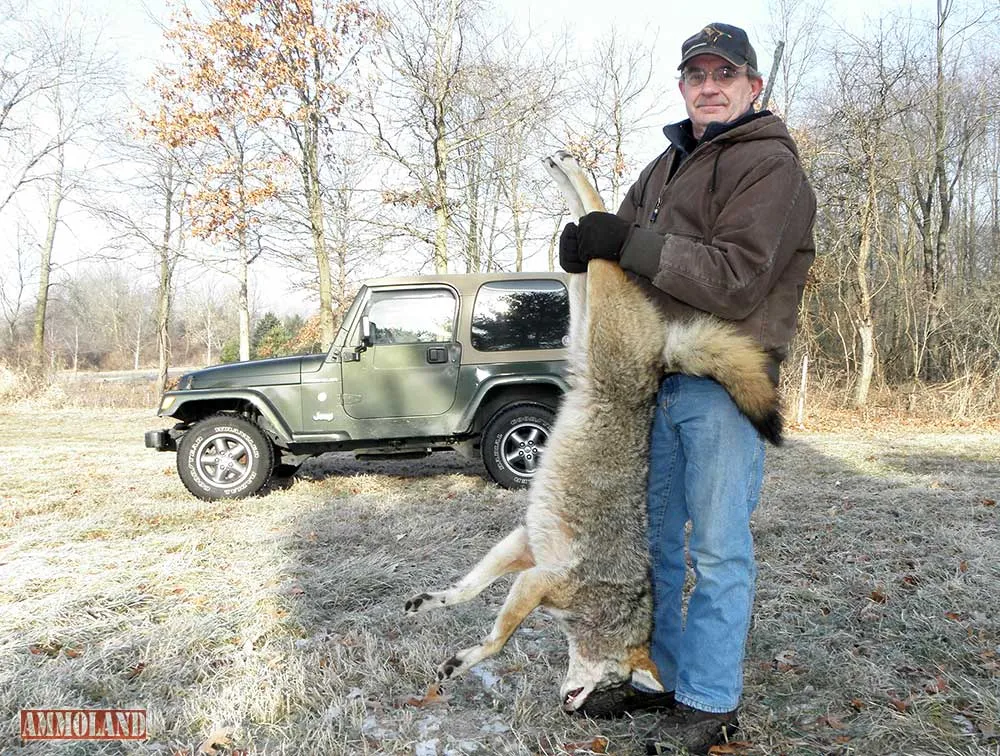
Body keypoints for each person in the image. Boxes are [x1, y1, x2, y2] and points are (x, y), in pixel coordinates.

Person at [558, 22, 816, 755]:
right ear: (682, 86)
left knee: (719, 551)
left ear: (752, 85)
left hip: (721, 381)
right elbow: (630, 258)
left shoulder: (771, 168)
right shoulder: (664, 166)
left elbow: (736, 279)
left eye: (724, 74)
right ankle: (665, 678)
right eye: (696, 74)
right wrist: (588, 249)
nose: (709, 85)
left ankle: (710, 702)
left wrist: (627, 243)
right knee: (660, 549)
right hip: (655, 380)